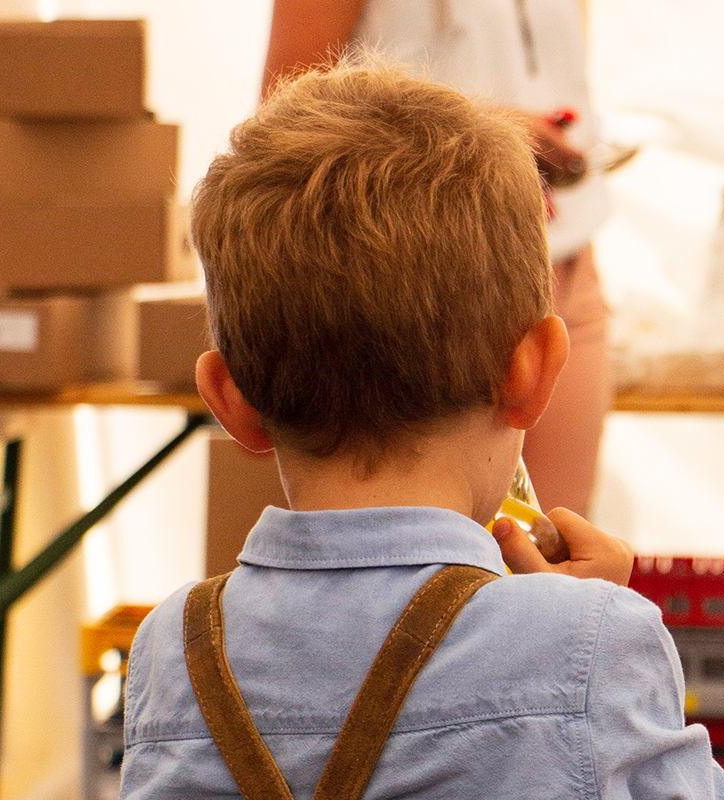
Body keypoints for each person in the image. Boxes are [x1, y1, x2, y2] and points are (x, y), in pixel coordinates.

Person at [118, 61, 724, 799]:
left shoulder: (172, 650)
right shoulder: (591, 642)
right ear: (534, 371)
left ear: (230, 402)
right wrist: (588, 624)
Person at [262, 0, 613, 516]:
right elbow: (284, 127)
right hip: (421, 278)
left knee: (554, 540)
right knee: (420, 539)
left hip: (562, 255)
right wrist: (482, 135)